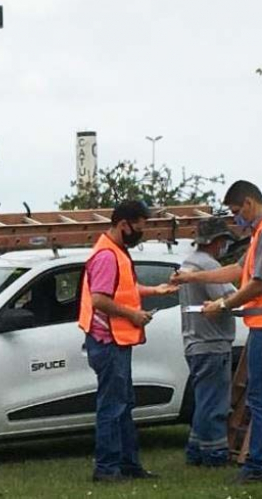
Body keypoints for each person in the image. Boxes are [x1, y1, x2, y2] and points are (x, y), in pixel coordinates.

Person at [171, 181, 262, 483]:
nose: (236, 220)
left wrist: (222, 304)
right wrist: (192, 278)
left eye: (236, 212)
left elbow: (259, 282)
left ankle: (256, 468)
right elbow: (237, 270)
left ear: (248, 203)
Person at [77, 199, 177, 483]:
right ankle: (107, 469)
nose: (141, 233)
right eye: (140, 227)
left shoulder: (115, 251)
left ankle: (128, 465)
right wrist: (134, 315)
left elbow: (123, 289)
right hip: (108, 342)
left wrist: (154, 290)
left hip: (116, 342)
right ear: (124, 225)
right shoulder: (107, 256)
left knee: (122, 404)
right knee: (113, 406)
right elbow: (99, 299)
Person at [176, 217, 238, 467]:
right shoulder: (208, 267)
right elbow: (229, 297)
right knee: (214, 403)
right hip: (212, 343)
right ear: (215, 241)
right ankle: (214, 454)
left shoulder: (188, 264)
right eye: (224, 241)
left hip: (195, 342)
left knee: (204, 399)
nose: (225, 246)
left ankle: (195, 449)